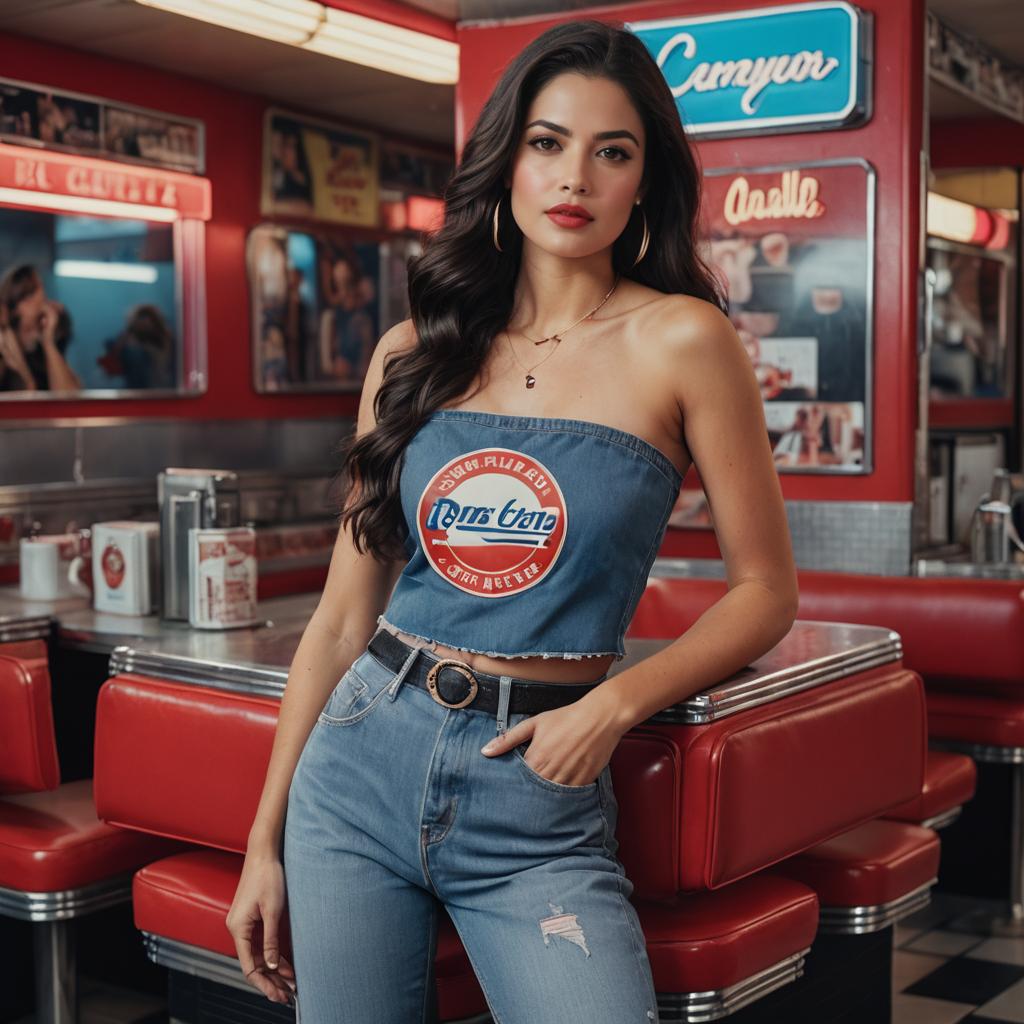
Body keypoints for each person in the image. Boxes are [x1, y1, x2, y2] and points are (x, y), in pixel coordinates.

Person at [226, 19, 798, 1024]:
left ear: (641, 181)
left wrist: (611, 705)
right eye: (546, 141)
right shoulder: (414, 351)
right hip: (357, 765)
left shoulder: (681, 340)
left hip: (535, 794)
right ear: (506, 162)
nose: (574, 175)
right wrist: (261, 843)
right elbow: (340, 618)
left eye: (611, 151)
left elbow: (764, 593)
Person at [0, 264, 81, 392]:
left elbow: (69, 398)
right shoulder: (5, 346)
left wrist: (48, 342)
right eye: (27, 296)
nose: (42, 296)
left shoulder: (51, 340)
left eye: (39, 288)